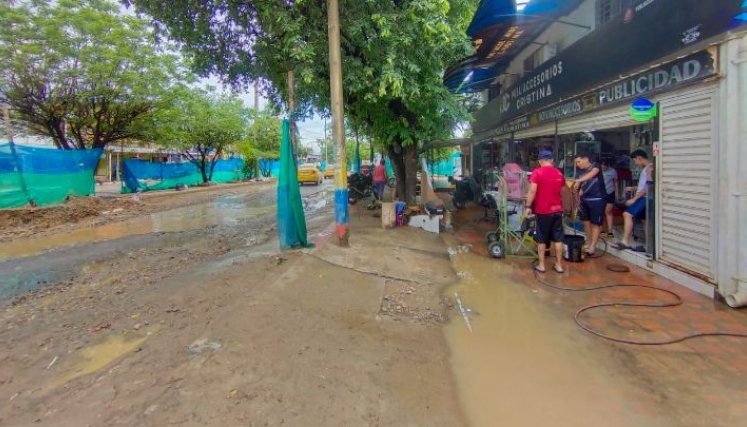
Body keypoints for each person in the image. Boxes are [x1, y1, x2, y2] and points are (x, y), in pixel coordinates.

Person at [525, 150, 566, 274]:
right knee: (558, 239)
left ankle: (542, 266)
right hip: (558, 210)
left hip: (543, 211)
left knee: (541, 238)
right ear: (552, 160)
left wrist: (528, 206)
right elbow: (562, 192)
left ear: (539, 161)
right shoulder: (559, 173)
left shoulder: (537, 172)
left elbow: (532, 191)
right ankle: (559, 266)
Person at [616, 149, 653, 250]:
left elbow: (649, 186)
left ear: (639, 158)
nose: (635, 163)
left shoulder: (650, 168)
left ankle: (625, 242)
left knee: (627, 214)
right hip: (644, 197)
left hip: (645, 198)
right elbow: (645, 185)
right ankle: (649, 245)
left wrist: (634, 199)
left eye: (635, 161)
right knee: (645, 220)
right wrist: (634, 188)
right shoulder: (646, 168)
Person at [572, 152, 605, 256]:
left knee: (595, 223)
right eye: (576, 163)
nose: (578, 164)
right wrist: (577, 191)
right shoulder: (579, 172)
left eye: (579, 161)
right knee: (585, 222)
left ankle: (592, 247)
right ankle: (588, 242)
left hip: (597, 198)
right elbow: (578, 188)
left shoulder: (595, 166)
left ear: (586, 158)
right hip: (584, 200)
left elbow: (593, 174)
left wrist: (578, 180)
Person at [600, 160, 618, 237]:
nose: (603, 167)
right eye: (602, 166)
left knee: (608, 211)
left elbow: (615, 182)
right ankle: (602, 229)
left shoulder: (613, 171)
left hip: (610, 192)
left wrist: (617, 193)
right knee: (601, 212)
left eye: (605, 166)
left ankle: (610, 230)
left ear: (608, 166)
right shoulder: (597, 171)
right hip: (600, 193)